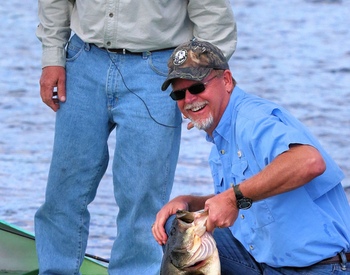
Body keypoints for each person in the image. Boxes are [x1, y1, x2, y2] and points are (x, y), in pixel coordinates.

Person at [35, 1, 237, 274]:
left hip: (158, 70)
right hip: (82, 61)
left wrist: (203, 87)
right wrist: (52, 58)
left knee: (143, 203)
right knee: (63, 191)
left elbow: (212, 11)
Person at [152, 40, 350, 274]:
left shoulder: (251, 119)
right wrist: (191, 202)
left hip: (320, 267)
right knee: (177, 227)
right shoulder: (220, 137)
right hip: (266, 263)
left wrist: (231, 199)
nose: (189, 99)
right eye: (179, 94)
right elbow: (250, 197)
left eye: (196, 88)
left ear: (226, 80)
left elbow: (309, 161)